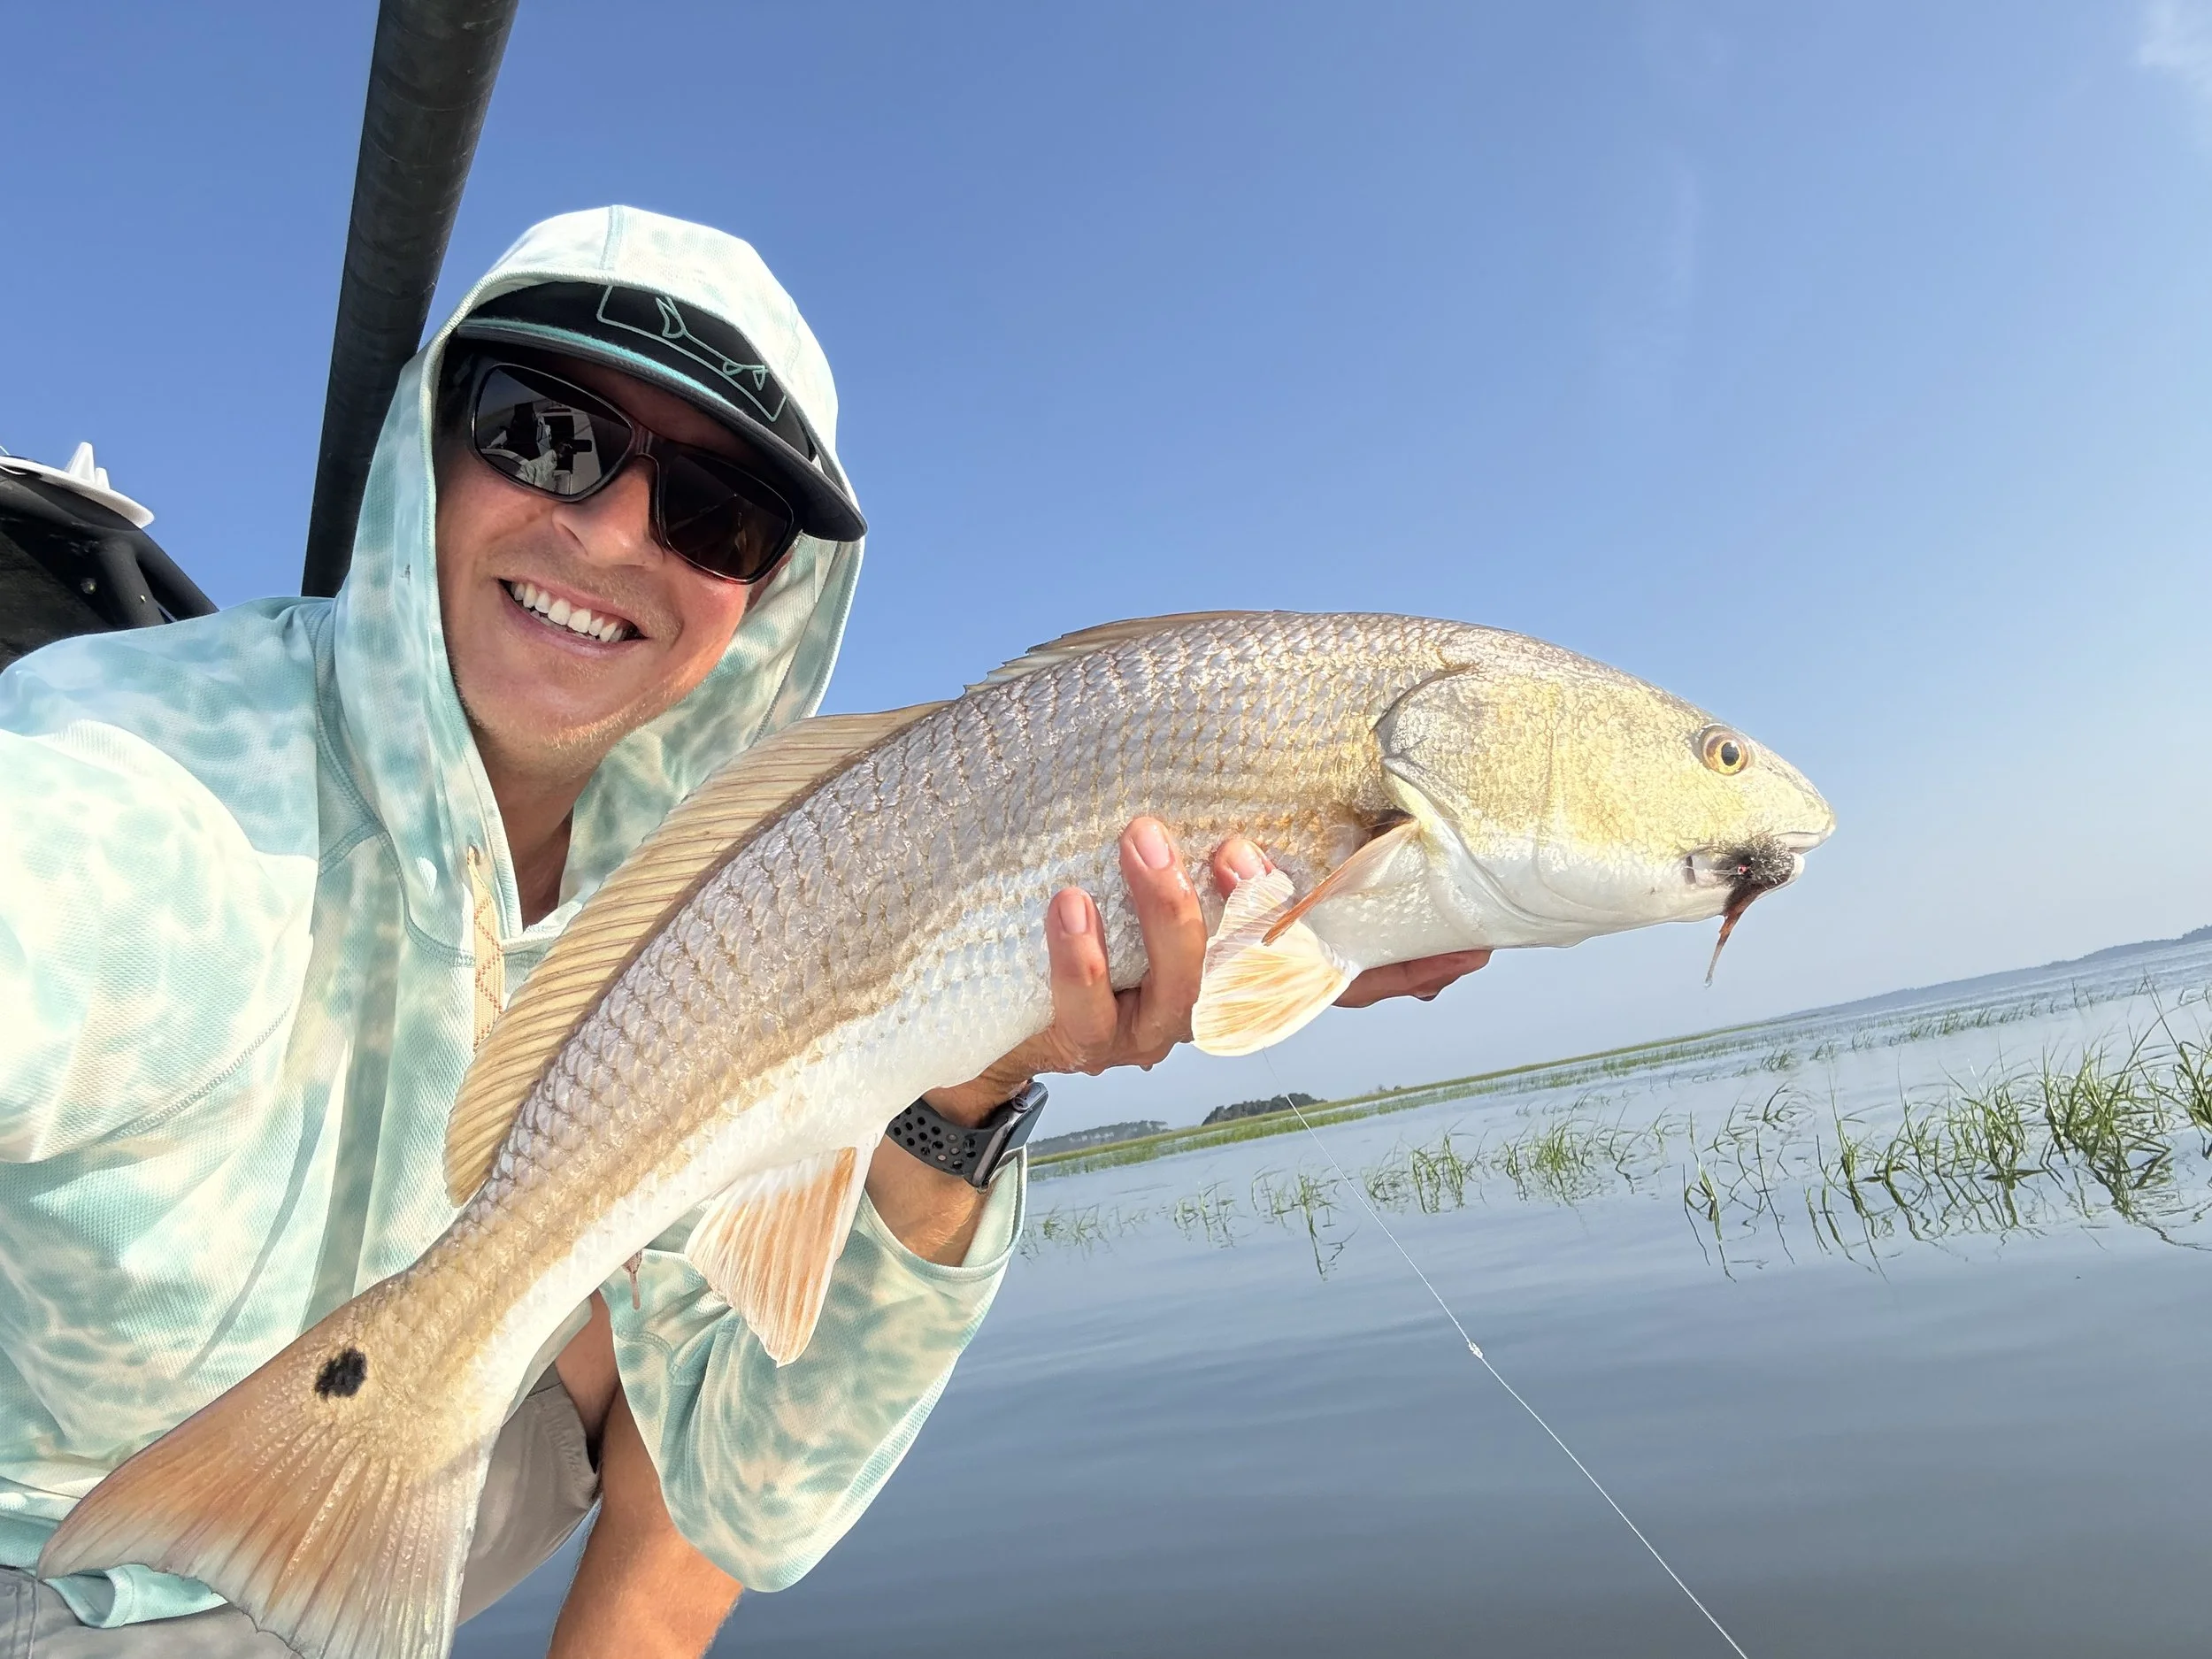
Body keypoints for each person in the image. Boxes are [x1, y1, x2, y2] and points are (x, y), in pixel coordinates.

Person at [0, 206, 1487, 1657]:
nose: (611, 533)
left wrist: (964, 1095)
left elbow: (745, 1492)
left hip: (397, 1486)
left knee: (657, 1333)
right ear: (432, 444)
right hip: (41, 1558)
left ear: (769, 593)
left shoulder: (742, 895)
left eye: (718, 512)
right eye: (545, 430)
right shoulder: (136, 790)